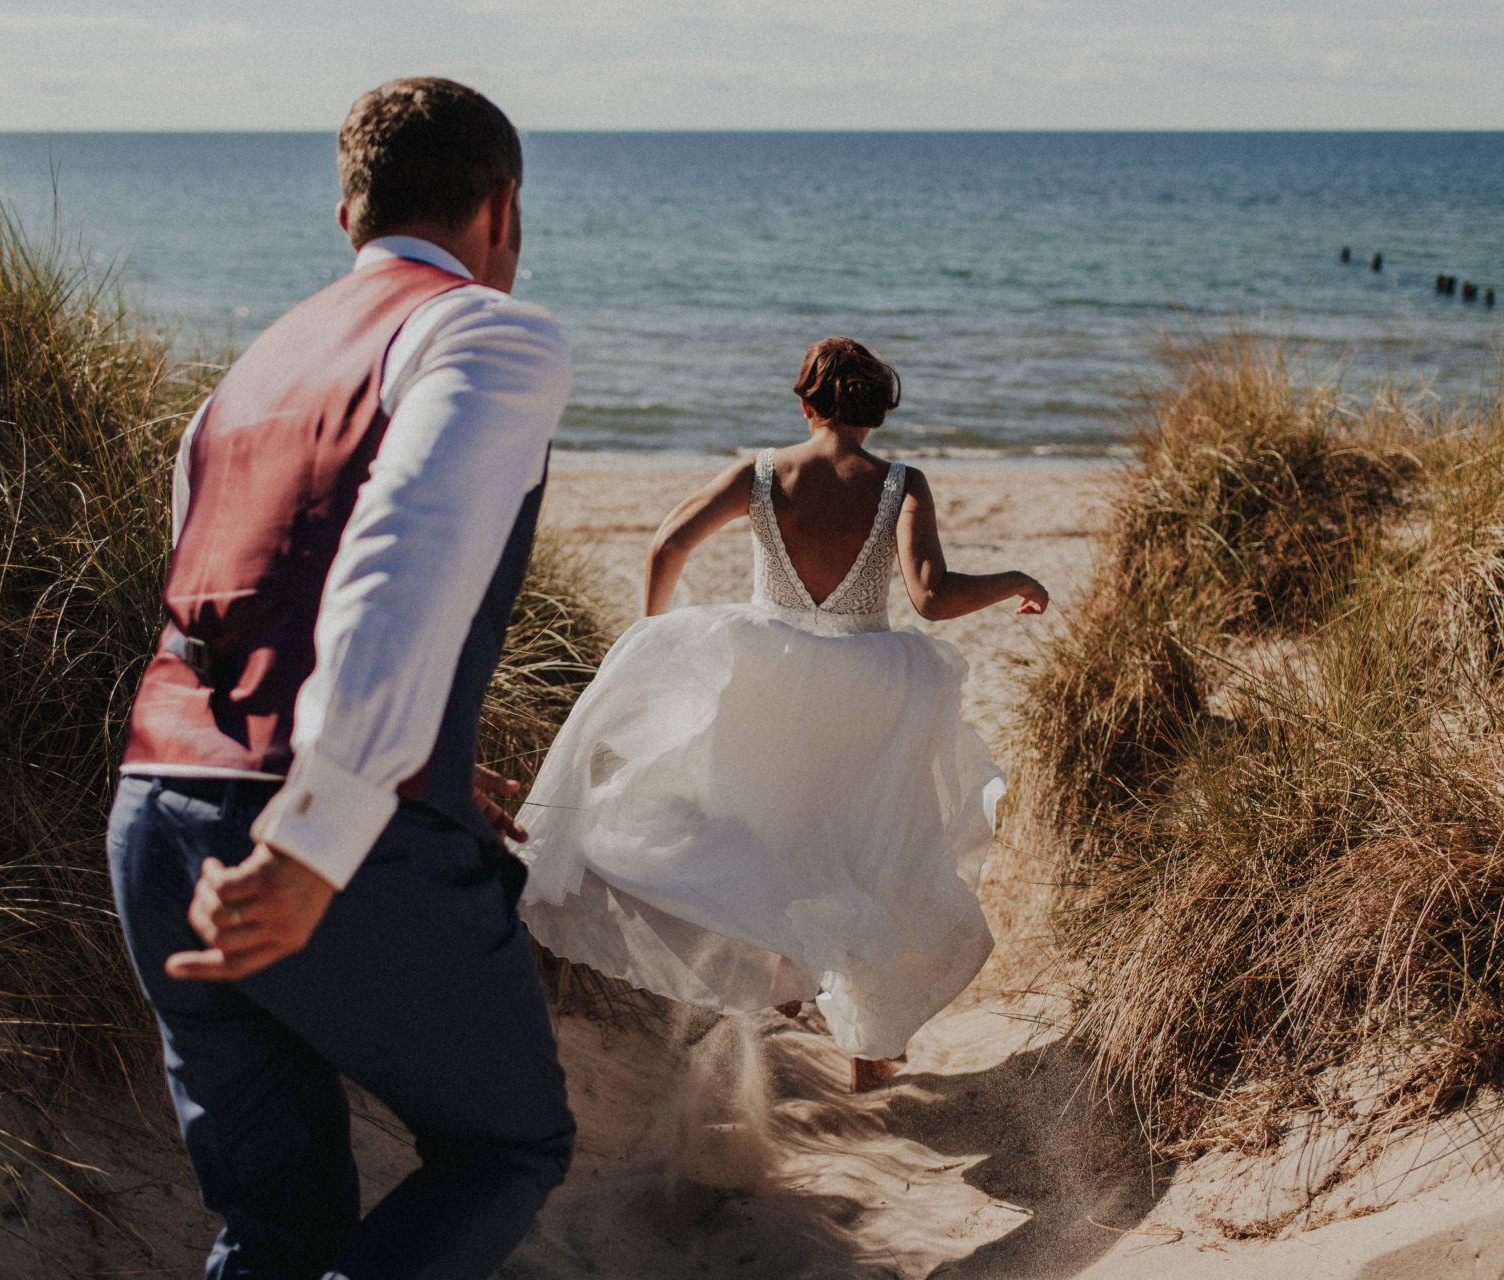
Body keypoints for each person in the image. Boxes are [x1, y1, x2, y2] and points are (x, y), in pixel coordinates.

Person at [106, 78, 574, 1280]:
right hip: (316, 832)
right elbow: (399, 553)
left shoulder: (249, 372)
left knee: (274, 1225)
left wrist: (431, 746)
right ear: (503, 208)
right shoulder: (484, 328)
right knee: (507, 1139)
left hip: (154, 820)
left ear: (346, 213)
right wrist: (324, 825)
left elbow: (239, 600)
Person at [516, 337, 1049, 1092]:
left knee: (762, 840)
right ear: (877, 413)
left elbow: (669, 541)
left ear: (805, 403)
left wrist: (652, 631)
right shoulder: (900, 482)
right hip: (866, 690)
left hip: (769, 676)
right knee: (865, 852)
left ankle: (784, 998)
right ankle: (869, 1058)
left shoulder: (763, 472)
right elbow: (930, 596)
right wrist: (1013, 579)